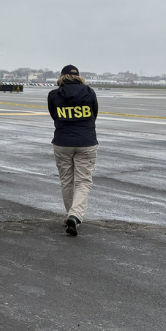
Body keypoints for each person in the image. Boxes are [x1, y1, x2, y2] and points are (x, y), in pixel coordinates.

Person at [47, 64, 99, 236]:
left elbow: (54, 115)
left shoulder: (54, 95)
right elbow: (94, 114)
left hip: (62, 141)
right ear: (78, 77)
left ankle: (71, 215)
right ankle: (75, 216)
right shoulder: (89, 92)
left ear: (62, 77)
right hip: (86, 141)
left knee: (67, 180)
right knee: (83, 181)